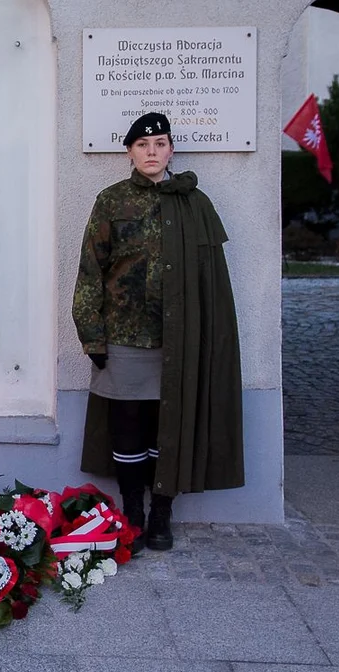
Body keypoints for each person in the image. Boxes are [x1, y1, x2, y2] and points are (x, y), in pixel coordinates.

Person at [72, 112, 244, 553]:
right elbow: (92, 270)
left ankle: (162, 512)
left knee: (169, 426)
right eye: (143, 146)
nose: (152, 152)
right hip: (125, 337)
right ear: (129, 151)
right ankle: (133, 509)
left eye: (161, 144)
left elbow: (211, 278)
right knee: (129, 425)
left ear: (171, 150)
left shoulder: (194, 202)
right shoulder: (111, 201)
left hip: (178, 338)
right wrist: (92, 335)